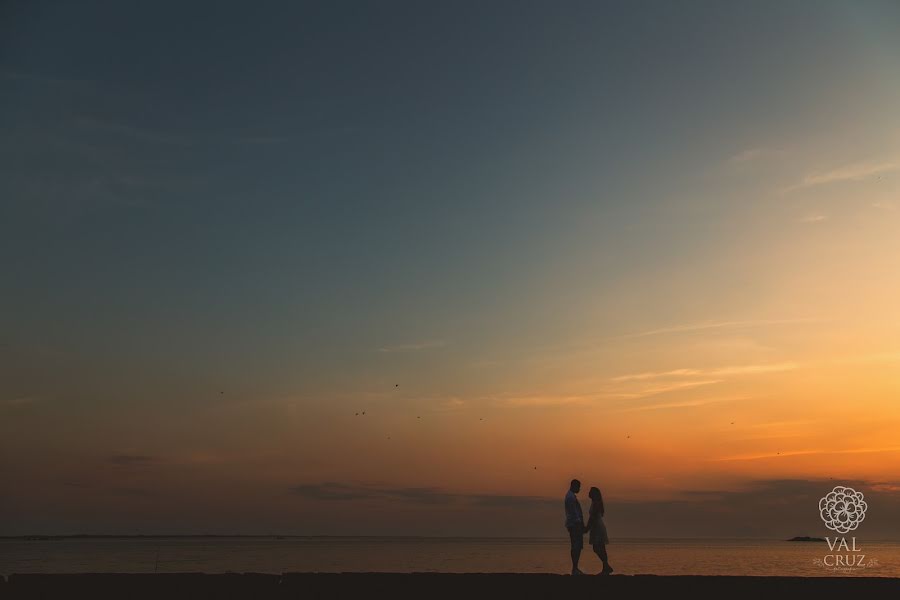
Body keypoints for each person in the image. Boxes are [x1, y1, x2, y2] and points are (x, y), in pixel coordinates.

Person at [585, 486, 613, 575]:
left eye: (590, 491)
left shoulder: (596, 503)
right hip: (596, 526)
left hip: (597, 527)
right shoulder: (595, 502)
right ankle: (606, 567)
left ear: (594, 494)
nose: (588, 492)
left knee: (597, 547)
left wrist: (587, 528)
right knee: (600, 547)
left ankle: (606, 566)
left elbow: (592, 517)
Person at [564, 479, 585, 575]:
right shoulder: (570, 497)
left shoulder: (571, 496)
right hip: (575, 524)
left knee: (577, 546)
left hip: (574, 524)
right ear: (574, 486)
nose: (579, 489)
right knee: (576, 546)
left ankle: (575, 568)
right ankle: (575, 568)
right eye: (578, 487)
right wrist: (579, 523)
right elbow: (573, 513)